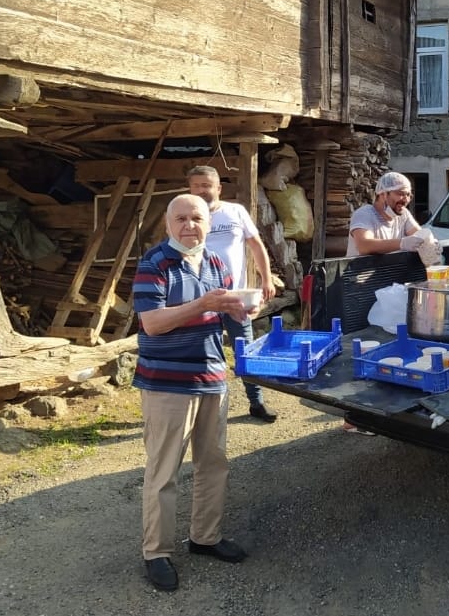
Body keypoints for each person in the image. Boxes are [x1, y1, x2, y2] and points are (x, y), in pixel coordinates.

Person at [133, 194, 253, 591]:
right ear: (168, 224)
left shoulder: (217, 262)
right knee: (164, 472)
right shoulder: (154, 264)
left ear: (208, 222)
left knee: (213, 464)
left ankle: (206, 537)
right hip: (167, 383)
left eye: (196, 218)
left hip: (211, 377)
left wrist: (239, 314)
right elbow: (152, 323)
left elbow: (225, 312)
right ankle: (157, 552)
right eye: (181, 219)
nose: (189, 226)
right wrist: (203, 303)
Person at [187, 166, 277, 423]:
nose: (203, 190)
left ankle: (256, 402)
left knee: (245, 350)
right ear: (190, 189)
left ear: (218, 188)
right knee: (205, 352)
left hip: (237, 297)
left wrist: (266, 279)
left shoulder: (235, 211)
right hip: (201, 300)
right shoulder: (188, 218)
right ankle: (204, 409)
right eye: (197, 186)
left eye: (208, 185)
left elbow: (256, 246)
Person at [346, 172, 430, 257]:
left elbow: (420, 235)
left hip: (388, 269)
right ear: (383, 194)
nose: (406, 200)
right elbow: (364, 246)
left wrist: (430, 243)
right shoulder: (365, 214)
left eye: (408, 195)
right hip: (361, 269)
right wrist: (402, 243)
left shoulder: (403, 214)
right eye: (400, 193)